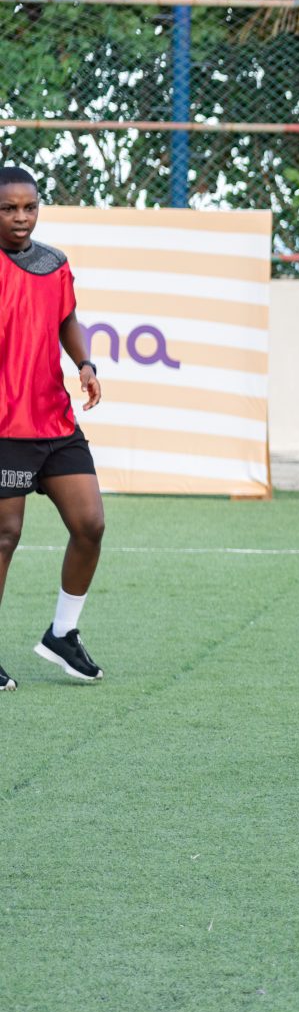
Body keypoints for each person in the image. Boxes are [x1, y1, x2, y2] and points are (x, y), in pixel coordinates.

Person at [0, 166, 107, 691]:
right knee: (5, 535)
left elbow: (66, 318)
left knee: (90, 524)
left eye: (29, 207)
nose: (21, 217)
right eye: (8, 209)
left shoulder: (54, 264)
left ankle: (62, 634)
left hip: (54, 420)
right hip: (4, 425)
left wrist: (85, 363)